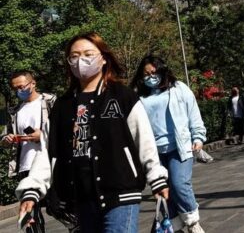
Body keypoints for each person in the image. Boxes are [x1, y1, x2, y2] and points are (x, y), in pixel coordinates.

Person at [15, 32, 169, 233]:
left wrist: (156, 177)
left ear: (103, 58)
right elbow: (47, 151)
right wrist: (32, 190)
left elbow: (144, 140)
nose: (81, 61)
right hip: (81, 198)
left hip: (120, 193)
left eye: (88, 54)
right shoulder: (62, 106)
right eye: (74, 56)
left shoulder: (122, 96)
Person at [132, 55, 207, 233]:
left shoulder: (178, 88)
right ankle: (176, 226)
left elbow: (193, 113)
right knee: (164, 191)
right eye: (146, 74)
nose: (150, 76)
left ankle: (192, 222)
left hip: (179, 147)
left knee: (179, 184)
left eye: (154, 72)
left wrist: (198, 137)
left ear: (162, 70)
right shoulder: (138, 96)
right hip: (154, 152)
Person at [1, 71, 56, 233]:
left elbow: (66, 129)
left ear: (33, 83)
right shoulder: (15, 111)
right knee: (30, 214)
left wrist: (44, 135)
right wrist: (6, 140)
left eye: (22, 86)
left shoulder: (50, 102)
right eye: (15, 88)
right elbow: (5, 137)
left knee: (58, 207)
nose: (19, 91)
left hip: (49, 163)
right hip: (25, 166)